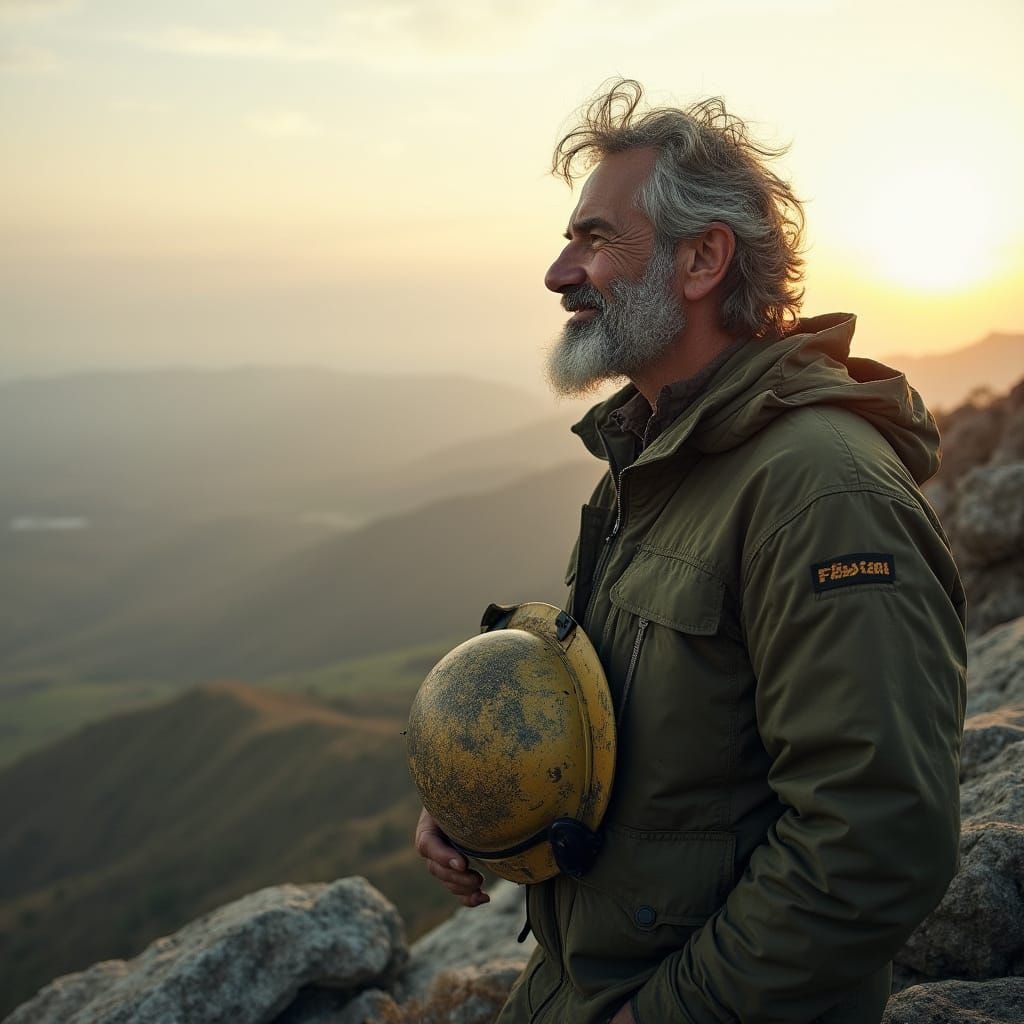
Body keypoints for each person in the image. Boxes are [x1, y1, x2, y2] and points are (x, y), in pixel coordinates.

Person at [415, 80, 966, 1024]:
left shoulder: (820, 492)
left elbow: (873, 838)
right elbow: (648, 744)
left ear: (703, 258)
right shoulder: (653, 457)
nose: (558, 272)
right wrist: (488, 816)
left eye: (594, 239)